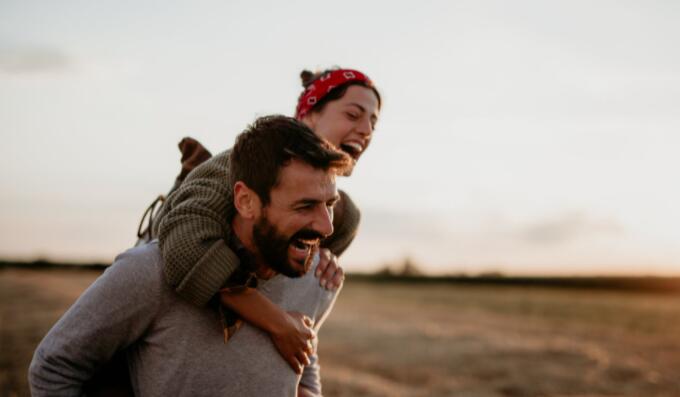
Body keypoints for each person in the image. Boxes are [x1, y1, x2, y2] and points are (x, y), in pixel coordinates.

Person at [29, 115, 352, 396]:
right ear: (246, 201)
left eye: (329, 204)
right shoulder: (151, 272)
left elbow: (303, 357)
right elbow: (54, 367)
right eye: (305, 205)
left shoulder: (312, 274)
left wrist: (308, 389)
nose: (326, 227)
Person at [152, 68, 381, 372]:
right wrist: (280, 324)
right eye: (353, 115)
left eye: (373, 122)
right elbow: (185, 248)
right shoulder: (241, 165)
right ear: (309, 115)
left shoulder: (343, 217)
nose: (366, 129)